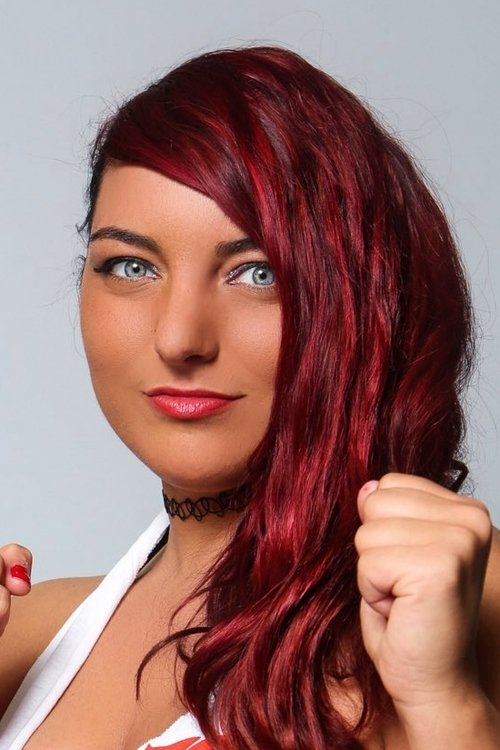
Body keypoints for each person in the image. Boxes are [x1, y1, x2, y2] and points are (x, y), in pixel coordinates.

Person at [0, 45, 499, 750]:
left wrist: (446, 705)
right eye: (132, 266)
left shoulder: (460, 595)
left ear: (365, 298)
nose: (179, 338)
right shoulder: (26, 636)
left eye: (257, 273)